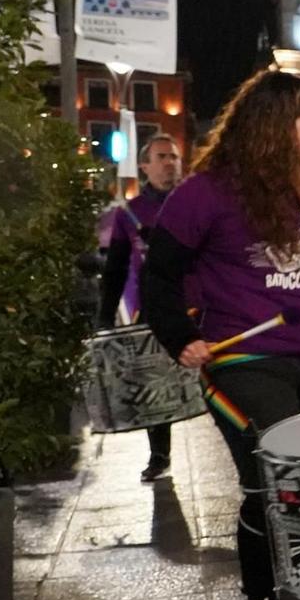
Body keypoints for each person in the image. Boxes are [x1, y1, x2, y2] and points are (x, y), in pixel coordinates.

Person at [140, 69, 300, 600]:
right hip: (248, 357)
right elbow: (160, 275)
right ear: (276, 125)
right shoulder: (205, 192)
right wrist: (181, 338)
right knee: (270, 480)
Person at [96, 133, 185, 482]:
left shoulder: (192, 203)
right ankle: (159, 455)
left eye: (174, 156)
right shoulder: (129, 213)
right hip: (152, 309)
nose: (169, 163)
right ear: (145, 166)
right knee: (154, 384)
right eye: (162, 157)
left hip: (199, 306)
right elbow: (115, 267)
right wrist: (104, 317)